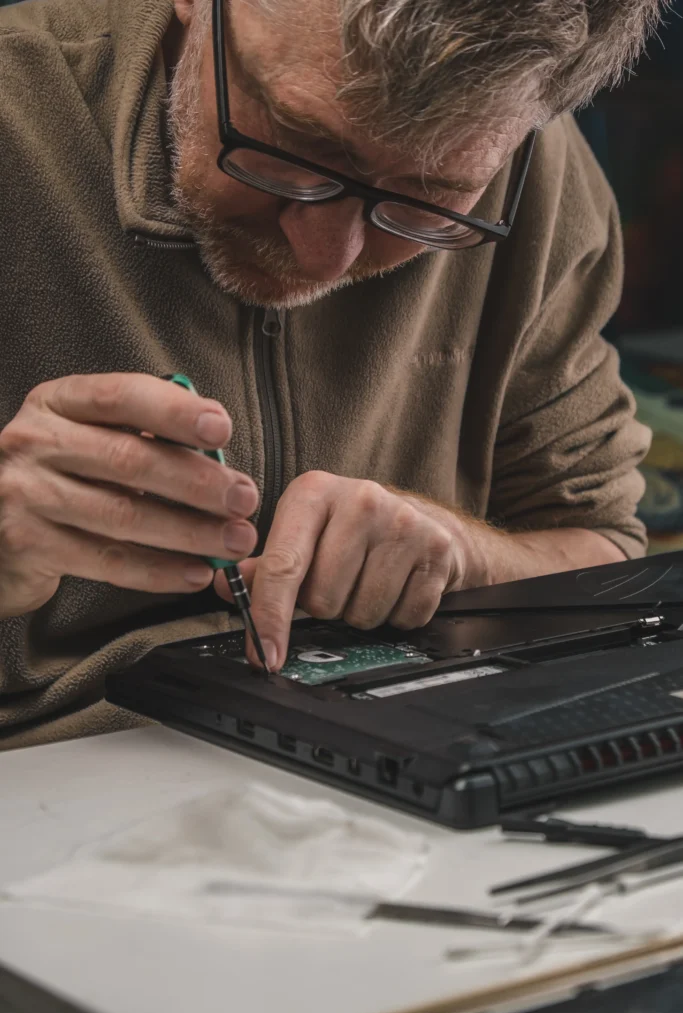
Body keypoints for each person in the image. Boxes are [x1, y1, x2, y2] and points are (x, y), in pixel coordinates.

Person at [0, 0, 658, 749]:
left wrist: (461, 556)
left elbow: (603, 555)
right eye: (293, 141)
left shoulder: (525, 161)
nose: (326, 257)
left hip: (409, 769)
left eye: (428, 199)